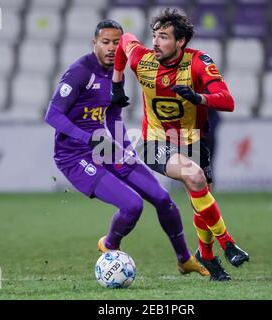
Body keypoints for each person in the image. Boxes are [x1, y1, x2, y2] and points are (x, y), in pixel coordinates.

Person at [44, 19, 208, 277]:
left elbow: (113, 118)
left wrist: (127, 148)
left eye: (116, 43)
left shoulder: (116, 74)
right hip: (74, 155)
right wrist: (84, 138)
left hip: (105, 147)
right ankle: (109, 245)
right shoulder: (79, 71)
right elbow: (52, 115)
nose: (111, 48)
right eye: (105, 42)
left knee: (163, 199)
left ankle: (184, 258)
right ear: (94, 43)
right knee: (132, 206)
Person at [111, 9, 249, 281]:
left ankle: (206, 257)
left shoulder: (197, 62)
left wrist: (199, 98)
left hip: (194, 140)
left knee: (199, 192)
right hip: (155, 141)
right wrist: (117, 84)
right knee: (194, 177)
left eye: (163, 37)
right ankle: (228, 244)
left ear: (181, 41)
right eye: (154, 36)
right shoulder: (144, 60)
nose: (155, 42)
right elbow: (125, 39)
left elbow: (227, 101)